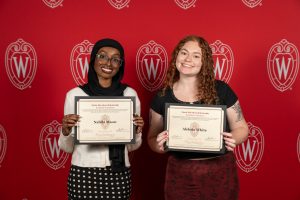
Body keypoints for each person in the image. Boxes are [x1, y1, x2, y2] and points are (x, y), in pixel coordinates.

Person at [147, 35, 249, 200]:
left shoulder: (221, 90)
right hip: (179, 173)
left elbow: (242, 129)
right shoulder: (162, 96)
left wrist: (234, 138)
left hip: (219, 171)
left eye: (196, 56)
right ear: (176, 57)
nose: (188, 59)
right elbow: (152, 138)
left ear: (204, 62)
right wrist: (159, 145)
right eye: (184, 53)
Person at [59, 38, 144, 200]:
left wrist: (137, 131)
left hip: (118, 173)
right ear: (93, 60)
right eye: (102, 56)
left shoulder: (129, 95)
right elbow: (67, 148)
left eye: (115, 59)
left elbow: (132, 147)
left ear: (120, 64)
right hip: (83, 172)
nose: (108, 63)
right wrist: (65, 130)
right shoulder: (75, 95)